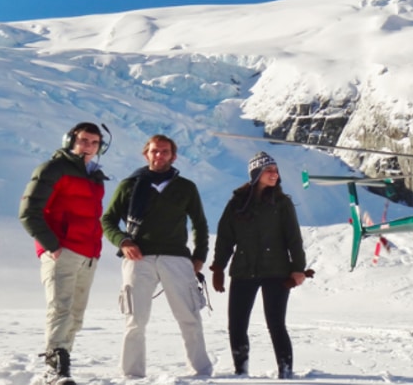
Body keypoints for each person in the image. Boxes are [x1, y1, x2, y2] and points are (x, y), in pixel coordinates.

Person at [101, 134, 212, 378]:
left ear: (173, 156)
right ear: (146, 154)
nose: (159, 155)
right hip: (138, 259)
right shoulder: (129, 185)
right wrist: (123, 241)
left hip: (177, 258)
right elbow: (107, 220)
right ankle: (131, 375)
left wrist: (199, 257)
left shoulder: (186, 187)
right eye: (154, 151)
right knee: (134, 320)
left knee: (189, 317)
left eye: (164, 151)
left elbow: (200, 224)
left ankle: (201, 373)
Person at [18, 122, 108, 384]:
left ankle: (61, 364)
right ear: (70, 141)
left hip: (88, 255)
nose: (88, 146)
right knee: (61, 309)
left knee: (76, 315)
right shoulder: (53, 169)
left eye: (94, 142)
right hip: (63, 251)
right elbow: (28, 212)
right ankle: (53, 369)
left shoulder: (95, 176)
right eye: (83, 140)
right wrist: (52, 245)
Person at [210, 151, 307, 379]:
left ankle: (286, 372)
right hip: (244, 270)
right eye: (269, 170)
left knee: (276, 323)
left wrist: (298, 268)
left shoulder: (283, 203)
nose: (274, 174)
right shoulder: (237, 203)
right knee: (236, 324)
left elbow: (294, 238)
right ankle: (240, 371)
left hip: (277, 271)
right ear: (256, 174)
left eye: (275, 170)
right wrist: (218, 268)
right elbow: (225, 237)